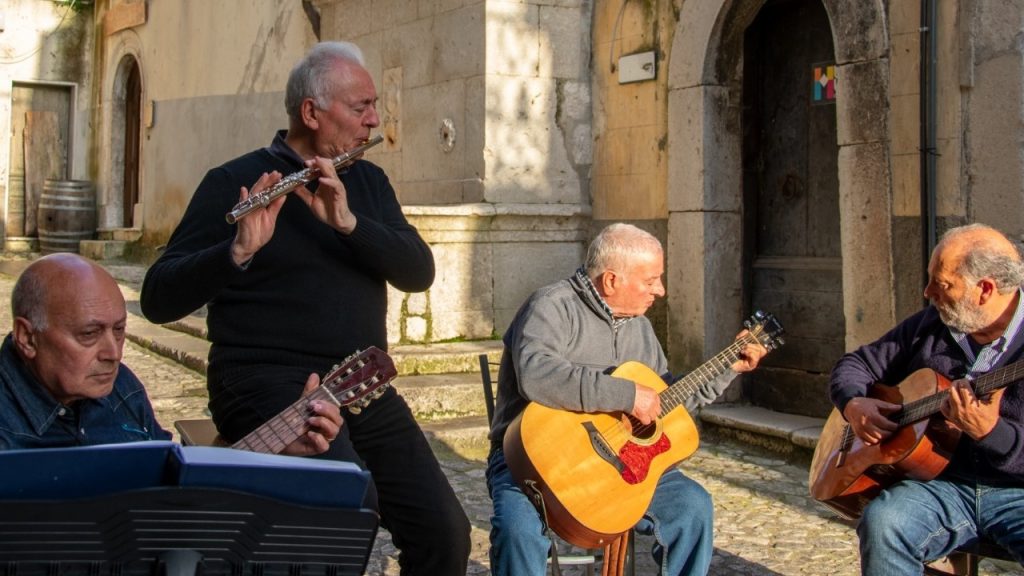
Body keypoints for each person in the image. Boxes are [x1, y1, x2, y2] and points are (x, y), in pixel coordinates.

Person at [139, 41, 470, 575]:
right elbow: (157, 298)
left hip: (362, 384)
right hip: (266, 382)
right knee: (345, 509)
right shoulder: (233, 181)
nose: (375, 120)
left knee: (445, 533)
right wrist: (237, 251)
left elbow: (418, 272)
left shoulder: (368, 182)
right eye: (360, 107)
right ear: (312, 113)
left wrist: (350, 225)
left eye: (374, 105)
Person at [486, 223, 768, 576]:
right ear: (611, 281)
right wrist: (627, 395)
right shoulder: (551, 306)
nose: (660, 291)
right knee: (519, 532)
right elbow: (536, 375)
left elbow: (664, 404)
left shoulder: (640, 327)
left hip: (622, 467)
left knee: (694, 507)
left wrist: (728, 368)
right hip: (533, 465)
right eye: (651, 280)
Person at [829, 223, 1024, 574]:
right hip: (942, 487)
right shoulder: (933, 324)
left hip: (1018, 492)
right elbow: (857, 364)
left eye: (942, 283)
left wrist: (991, 434)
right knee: (884, 522)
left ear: (985, 290)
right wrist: (854, 403)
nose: (927, 291)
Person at [0, 253, 341, 452]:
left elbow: (170, 484)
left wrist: (276, 449)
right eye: (89, 334)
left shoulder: (123, 388)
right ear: (27, 338)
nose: (113, 353)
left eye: (119, 330)